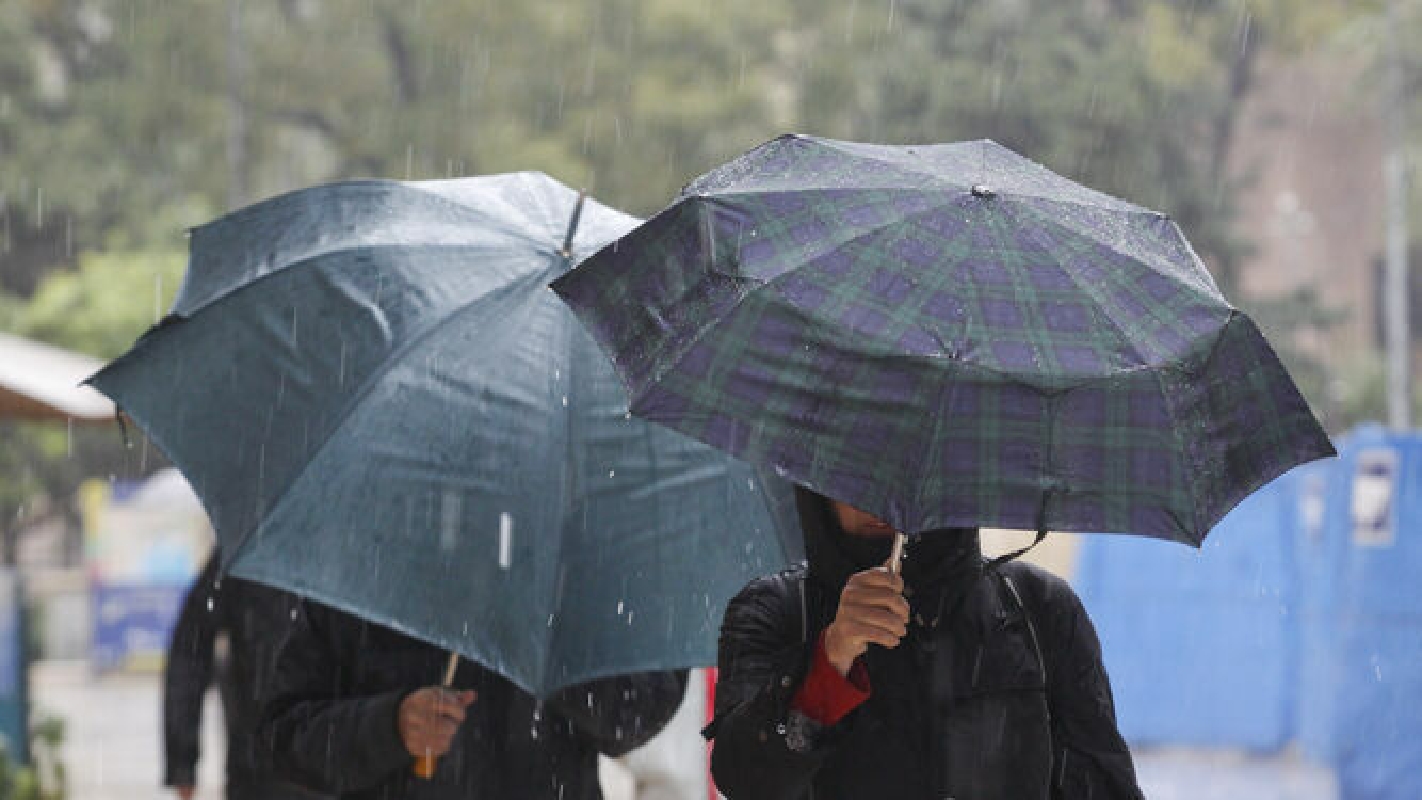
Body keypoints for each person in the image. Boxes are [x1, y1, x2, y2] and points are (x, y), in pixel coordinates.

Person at [705, 487, 1145, 800]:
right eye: (855, 474)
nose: (879, 494)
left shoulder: (1036, 608)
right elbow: (744, 778)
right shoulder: (777, 610)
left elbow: (1102, 784)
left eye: (901, 475)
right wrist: (832, 657)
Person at [259, 599, 688, 799]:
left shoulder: (582, 566)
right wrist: (390, 726)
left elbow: (636, 713)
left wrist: (549, 650)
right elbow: (284, 736)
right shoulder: (363, 568)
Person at [164, 550, 327, 800]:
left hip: (325, 760)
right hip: (261, 765)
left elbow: (190, 649)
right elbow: (190, 650)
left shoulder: (250, 552)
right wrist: (182, 762)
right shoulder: (247, 554)